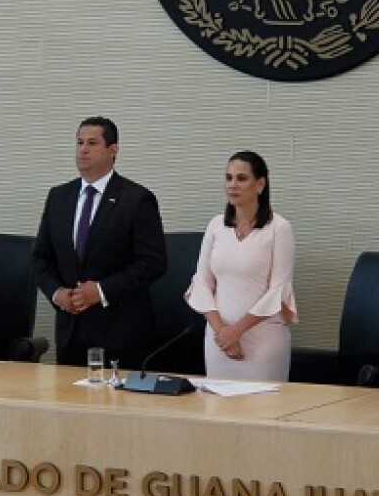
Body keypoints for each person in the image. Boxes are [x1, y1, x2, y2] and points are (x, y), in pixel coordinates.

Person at [32, 116, 167, 367]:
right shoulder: (59, 197)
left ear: (113, 150)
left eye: (92, 143)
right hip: (71, 333)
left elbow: (153, 263)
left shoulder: (137, 200)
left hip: (120, 334)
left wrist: (101, 291)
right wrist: (56, 292)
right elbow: (40, 257)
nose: (83, 149)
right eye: (79, 142)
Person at [185, 151, 297, 381]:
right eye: (228, 178)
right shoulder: (216, 225)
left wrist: (237, 331)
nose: (232, 185)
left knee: (264, 412)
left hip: (263, 341)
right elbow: (201, 282)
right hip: (219, 341)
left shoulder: (279, 228)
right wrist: (223, 333)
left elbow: (278, 290)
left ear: (260, 184)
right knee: (218, 409)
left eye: (241, 178)